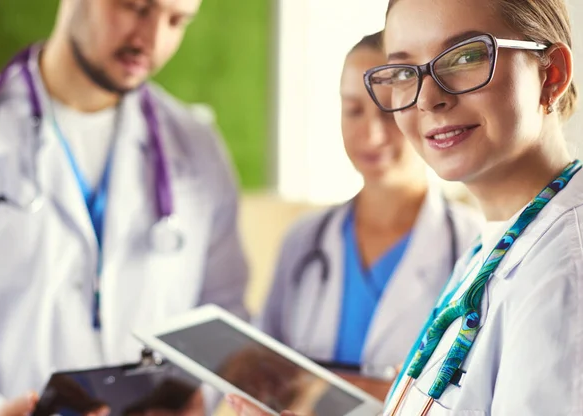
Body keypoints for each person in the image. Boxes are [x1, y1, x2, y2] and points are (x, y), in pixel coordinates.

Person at [228, 0, 583, 414]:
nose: (427, 98)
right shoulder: (500, 242)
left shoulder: (566, 271)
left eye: (465, 56)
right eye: (404, 72)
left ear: (551, 74)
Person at [0, 0, 248, 414]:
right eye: (137, 8)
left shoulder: (197, 147)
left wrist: (198, 398)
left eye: (176, 21)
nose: (153, 40)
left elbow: (224, 309)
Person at [257, 31, 483, 400]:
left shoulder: (474, 246)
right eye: (353, 110)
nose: (371, 134)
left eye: (387, 110)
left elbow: (481, 394)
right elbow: (260, 369)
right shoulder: (303, 240)